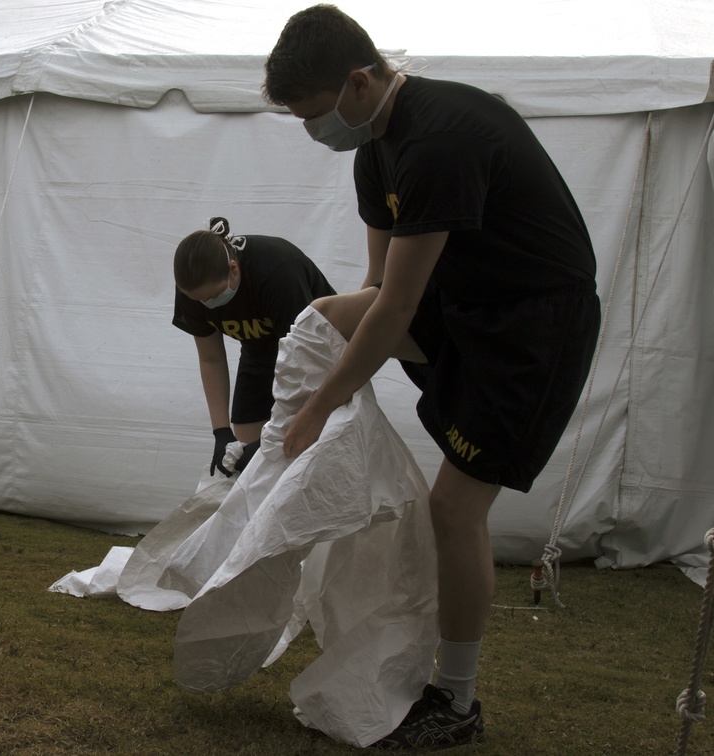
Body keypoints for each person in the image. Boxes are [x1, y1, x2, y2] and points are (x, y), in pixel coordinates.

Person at [263, 5, 601, 750]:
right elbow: (378, 286)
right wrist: (321, 365)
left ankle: (458, 699)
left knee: (454, 510)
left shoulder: (441, 136)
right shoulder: (372, 151)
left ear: (358, 82)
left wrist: (320, 407)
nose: (312, 131)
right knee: (327, 312)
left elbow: (398, 307)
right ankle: (288, 470)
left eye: (315, 114)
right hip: (466, 311)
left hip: (531, 330)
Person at [173, 217, 335, 477]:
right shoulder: (194, 289)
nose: (207, 305)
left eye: (213, 297)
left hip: (318, 354)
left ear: (234, 269)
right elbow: (211, 359)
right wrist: (221, 432)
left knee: (299, 453)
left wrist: (276, 436)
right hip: (259, 353)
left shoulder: (277, 273)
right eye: (198, 301)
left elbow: (305, 361)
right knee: (247, 457)